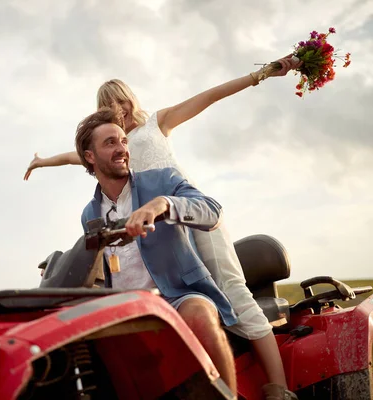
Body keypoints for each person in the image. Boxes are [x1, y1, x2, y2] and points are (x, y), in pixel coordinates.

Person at [26, 57, 300, 400]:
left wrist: (261, 74)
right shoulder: (109, 149)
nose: (118, 111)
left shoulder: (158, 123)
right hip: (153, 235)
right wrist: (41, 161)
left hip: (188, 212)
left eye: (121, 101)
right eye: (108, 106)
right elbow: (74, 155)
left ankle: (279, 388)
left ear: (131, 100)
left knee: (231, 288)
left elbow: (211, 96)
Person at [76, 106, 239, 394]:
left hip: (177, 296)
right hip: (126, 310)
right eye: (110, 143)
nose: (122, 149)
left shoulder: (162, 180)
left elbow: (212, 211)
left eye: (123, 141)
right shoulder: (89, 214)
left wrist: (164, 204)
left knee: (199, 314)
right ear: (90, 157)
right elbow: (101, 270)